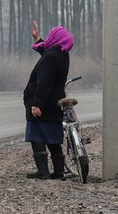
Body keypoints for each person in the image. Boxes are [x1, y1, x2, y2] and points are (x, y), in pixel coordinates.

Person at [23, 21, 73, 180]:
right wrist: (38, 39)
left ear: (55, 38)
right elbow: (47, 52)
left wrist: (36, 104)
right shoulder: (62, 54)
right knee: (52, 137)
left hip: (44, 103)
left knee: (36, 135)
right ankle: (58, 171)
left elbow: (43, 83)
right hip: (55, 102)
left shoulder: (51, 57)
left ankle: (42, 171)